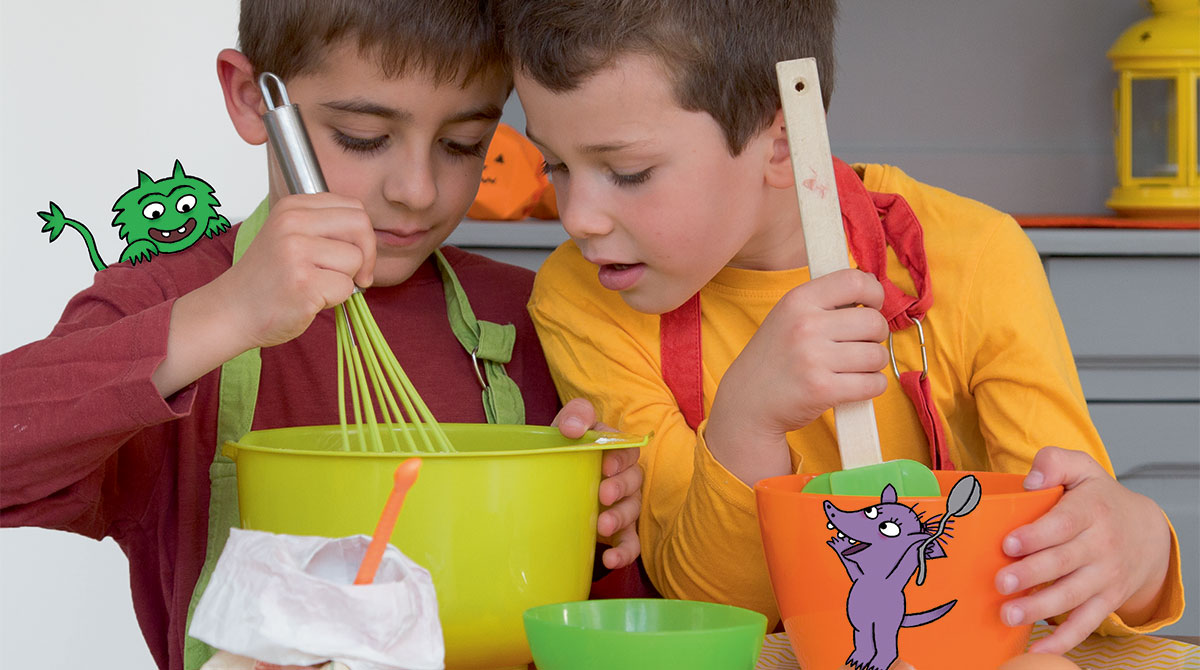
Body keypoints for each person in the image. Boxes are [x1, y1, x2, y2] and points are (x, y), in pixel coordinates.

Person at [496, 0, 1185, 656]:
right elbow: (712, 602)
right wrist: (745, 422)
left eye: (627, 171)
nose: (578, 214)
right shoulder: (583, 299)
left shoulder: (972, 257)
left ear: (780, 144)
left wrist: (1139, 542)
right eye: (555, 164)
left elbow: (1071, 579)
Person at [0, 2, 643, 670]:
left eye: (463, 144)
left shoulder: (535, 314)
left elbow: (618, 626)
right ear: (254, 101)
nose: (418, 190)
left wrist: (596, 545)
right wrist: (228, 313)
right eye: (364, 136)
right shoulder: (170, 306)